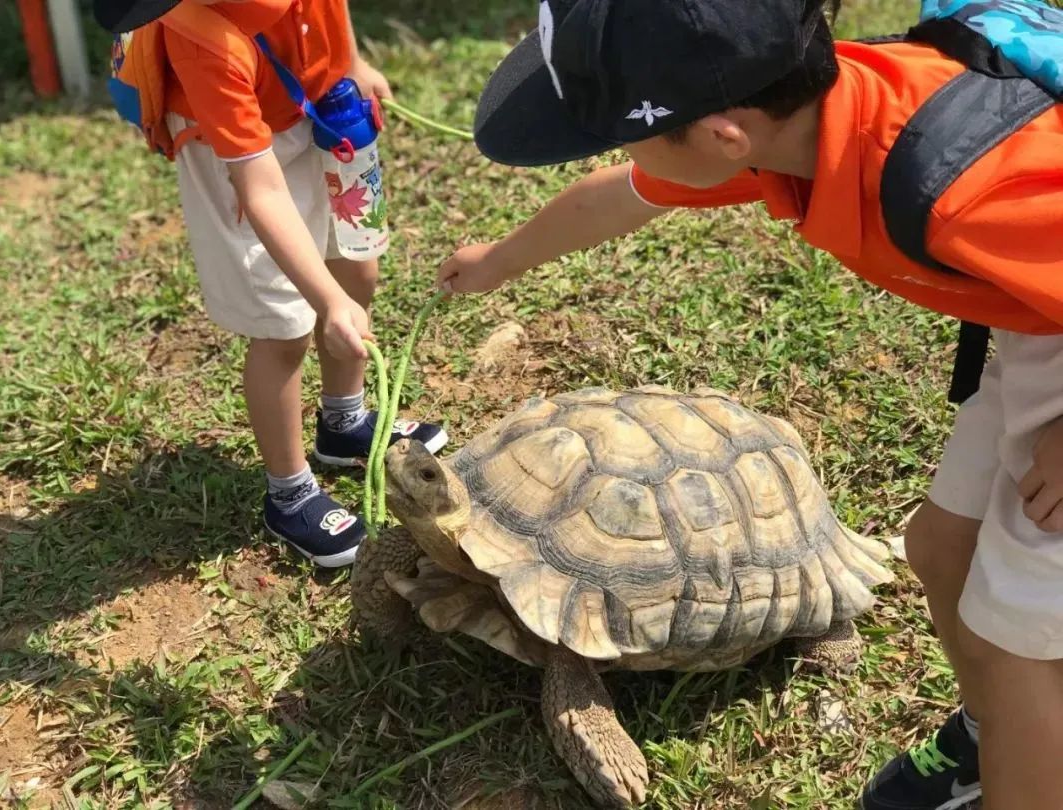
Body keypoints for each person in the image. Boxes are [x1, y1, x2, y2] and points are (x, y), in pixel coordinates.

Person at [436, 0, 1063, 807]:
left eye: (629, 130)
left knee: (1016, 646)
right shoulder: (793, 121)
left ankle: (1029, 755)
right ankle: (993, 738)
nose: (625, 152)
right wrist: (500, 259)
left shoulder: (962, 188)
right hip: (1034, 312)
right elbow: (621, 196)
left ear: (720, 137)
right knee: (941, 550)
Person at [94, 0, 448, 568]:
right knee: (286, 325)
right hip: (234, 156)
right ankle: (290, 493)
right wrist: (324, 302)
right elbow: (259, 190)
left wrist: (350, 62)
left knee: (357, 267)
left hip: (319, 109)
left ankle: (344, 420)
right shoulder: (201, 37)